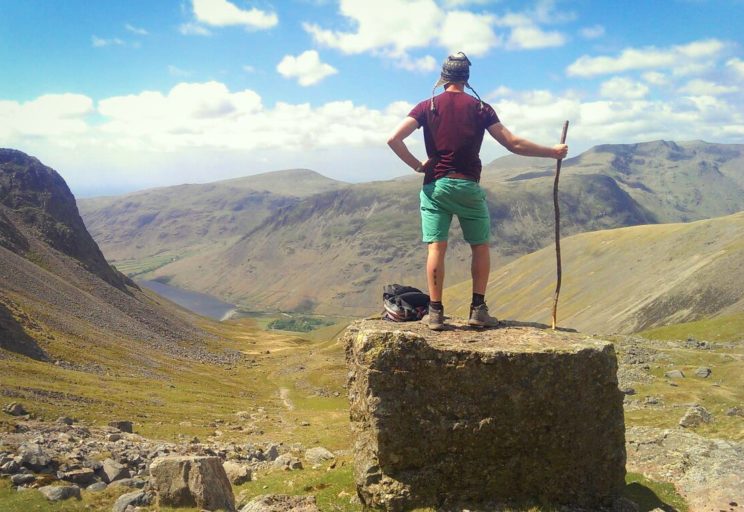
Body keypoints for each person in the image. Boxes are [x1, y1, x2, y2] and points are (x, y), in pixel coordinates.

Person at [387, 52, 568, 331]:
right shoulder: (481, 107)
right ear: (466, 77)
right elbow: (513, 144)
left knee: (437, 247)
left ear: (443, 77)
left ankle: (435, 313)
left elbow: (393, 138)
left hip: (436, 186)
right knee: (479, 246)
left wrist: (418, 166)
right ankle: (478, 310)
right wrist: (552, 152)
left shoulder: (426, 106)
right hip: (468, 186)